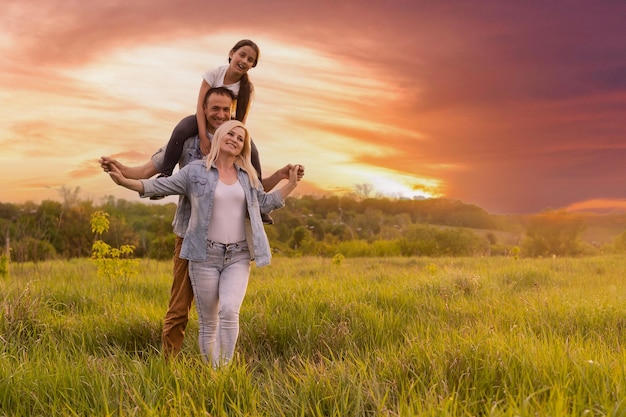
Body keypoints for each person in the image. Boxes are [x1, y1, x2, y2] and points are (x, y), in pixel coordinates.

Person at [100, 87, 304, 358]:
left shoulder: (240, 152)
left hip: (234, 247)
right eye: (215, 109)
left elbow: (254, 195)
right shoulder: (186, 142)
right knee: (180, 307)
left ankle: (220, 371)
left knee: (228, 310)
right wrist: (121, 172)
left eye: (226, 110)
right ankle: (170, 365)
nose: (221, 115)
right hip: (191, 234)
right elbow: (152, 177)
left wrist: (283, 177)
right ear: (204, 110)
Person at [153, 40, 267, 220]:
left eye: (250, 59)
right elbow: (200, 105)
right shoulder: (214, 74)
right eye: (242, 55)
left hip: (227, 123)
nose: (245, 61)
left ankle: (260, 200)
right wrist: (203, 136)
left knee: (253, 150)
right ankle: (165, 174)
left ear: (253, 65)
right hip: (205, 116)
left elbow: (241, 121)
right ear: (232, 53)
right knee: (181, 129)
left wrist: (234, 137)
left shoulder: (247, 88)